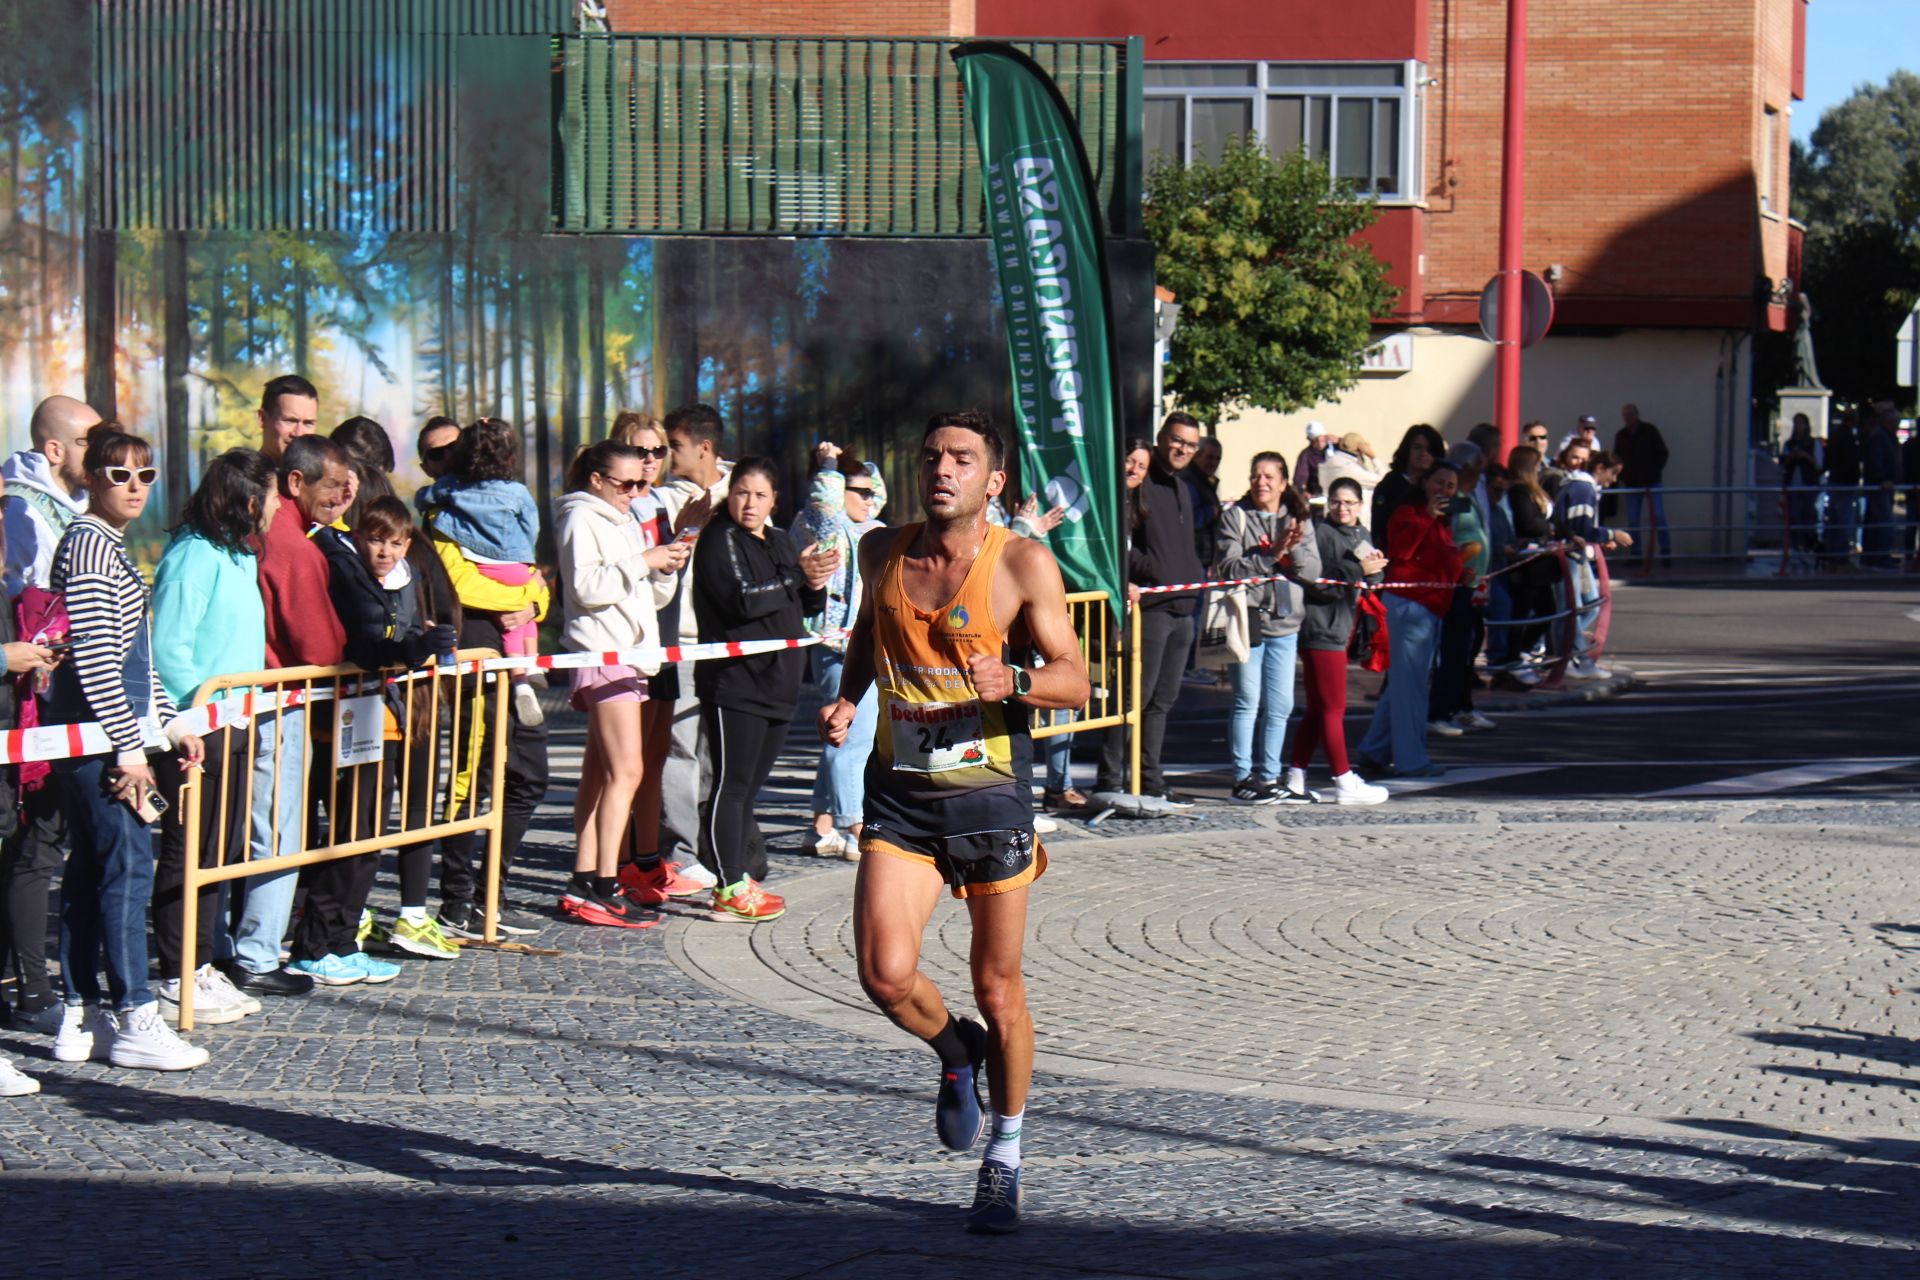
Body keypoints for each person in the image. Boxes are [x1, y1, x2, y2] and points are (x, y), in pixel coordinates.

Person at [819, 409, 1089, 1234]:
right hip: (901, 795)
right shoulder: (881, 551)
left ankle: (1004, 1155)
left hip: (988, 797)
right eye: (932, 455)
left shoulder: (1022, 565)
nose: (942, 470)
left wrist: (1015, 681)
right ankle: (954, 1053)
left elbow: (1076, 681)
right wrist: (851, 694)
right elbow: (872, 632)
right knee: (885, 975)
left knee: (998, 989)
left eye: (962, 460)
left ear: (993, 481)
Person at [46, 429, 211, 1071]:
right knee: (127, 869)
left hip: (108, 739)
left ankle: (81, 1016)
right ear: (91, 479)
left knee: (93, 874)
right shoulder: (89, 544)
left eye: (145, 474)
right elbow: (92, 659)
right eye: (118, 475)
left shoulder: (106, 544)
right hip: (98, 744)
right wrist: (130, 751)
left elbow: (131, 660)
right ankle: (136, 1013)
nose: (135, 486)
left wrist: (169, 724)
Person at [149, 448, 282, 1026]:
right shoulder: (192, 558)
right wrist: (189, 719)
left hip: (235, 721)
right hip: (196, 730)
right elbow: (168, 649)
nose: (279, 506)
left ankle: (202, 964)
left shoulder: (237, 556)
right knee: (188, 852)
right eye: (273, 495)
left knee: (218, 852)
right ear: (251, 500)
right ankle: (175, 971)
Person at [221, 433, 353, 1001]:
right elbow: (319, 642)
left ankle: (228, 948)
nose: (341, 496)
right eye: (331, 485)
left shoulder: (260, 534)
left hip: (249, 701)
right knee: (276, 832)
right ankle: (255, 953)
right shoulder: (294, 546)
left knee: (241, 829)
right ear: (294, 484)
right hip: (282, 700)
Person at [692, 456, 836, 922]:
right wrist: (797, 574)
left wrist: (815, 580)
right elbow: (742, 599)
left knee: (749, 789)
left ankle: (740, 875)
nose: (748, 502)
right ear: (728, 494)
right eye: (740, 492)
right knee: (730, 788)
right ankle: (727, 886)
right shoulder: (719, 538)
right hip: (736, 683)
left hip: (780, 683)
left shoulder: (778, 541)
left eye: (759, 495)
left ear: (774, 501)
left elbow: (799, 602)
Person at [553, 441, 688, 927]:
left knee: (600, 773)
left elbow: (641, 594)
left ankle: (586, 877)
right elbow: (587, 587)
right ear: (596, 480)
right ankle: (606, 883)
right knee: (627, 771)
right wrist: (643, 561)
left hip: (627, 653)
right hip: (604, 653)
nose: (635, 492)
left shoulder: (622, 518)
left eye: (642, 484)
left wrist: (666, 567)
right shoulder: (581, 517)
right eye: (625, 483)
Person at [0, 394, 100, 1035]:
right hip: (26, 705)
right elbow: (23, 604)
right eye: (93, 444)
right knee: (27, 845)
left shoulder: (77, 513)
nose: (110, 462)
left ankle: (33, 982)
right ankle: (31, 988)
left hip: (55, 700)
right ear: (55, 449)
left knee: (39, 845)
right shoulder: (20, 508)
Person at [338, 497, 464, 960]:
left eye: (394, 543)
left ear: (407, 544)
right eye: (375, 540)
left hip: (413, 705)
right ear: (359, 539)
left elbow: (414, 626)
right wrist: (415, 645)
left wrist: (431, 640)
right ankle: (353, 918)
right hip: (366, 711)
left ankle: (412, 915)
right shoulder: (349, 575)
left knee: (417, 809)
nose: (385, 552)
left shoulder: (411, 574)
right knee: (364, 819)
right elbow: (370, 643)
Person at [602, 414, 709, 908]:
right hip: (621, 649)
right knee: (623, 766)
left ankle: (646, 861)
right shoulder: (606, 510)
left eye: (658, 452)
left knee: (655, 757)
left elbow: (667, 582)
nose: (649, 462)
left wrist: (683, 538)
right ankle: (610, 867)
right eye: (639, 451)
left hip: (662, 643)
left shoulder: (664, 501)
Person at [1092, 413, 1205, 808]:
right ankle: (1109, 779)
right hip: (1150, 609)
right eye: (1177, 440)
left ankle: (1149, 779)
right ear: (1162, 438)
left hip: (1182, 608)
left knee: (1161, 702)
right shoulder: (1140, 480)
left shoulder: (1183, 487)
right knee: (1131, 699)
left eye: (1191, 445)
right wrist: (1141, 573)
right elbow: (1118, 538)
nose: (1183, 450)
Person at [418, 417, 545, 725]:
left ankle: (522, 674)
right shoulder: (514, 492)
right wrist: (528, 589)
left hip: (500, 580)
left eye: (455, 447)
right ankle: (530, 668)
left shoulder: (450, 496)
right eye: (438, 453)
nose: (448, 457)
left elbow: (425, 497)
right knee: (480, 738)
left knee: (524, 747)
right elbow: (460, 584)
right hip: (509, 583)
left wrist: (532, 605)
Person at [794, 449, 888, 858]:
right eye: (860, 491)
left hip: (864, 644)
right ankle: (856, 825)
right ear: (834, 491)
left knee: (840, 738)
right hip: (836, 645)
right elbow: (824, 508)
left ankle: (821, 825)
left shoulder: (869, 526)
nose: (870, 499)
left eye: (872, 491)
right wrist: (828, 468)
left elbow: (877, 492)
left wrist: (856, 466)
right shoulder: (820, 525)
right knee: (852, 738)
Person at [1214, 452, 1319, 804]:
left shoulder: (1298, 519)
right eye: (1256, 475)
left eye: (1269, 476)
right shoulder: (1236, 517)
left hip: (1286, 624)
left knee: (1281, 705)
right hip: (1249, 620)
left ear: (1284, 482)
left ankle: (1271, 776)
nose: (1261, 482)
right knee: (1247, 700)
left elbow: (1312, 572)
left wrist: (1294, 550)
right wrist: (1271, 554)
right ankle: (1243, 777)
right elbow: (1228, 567)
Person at [1353, 463, 1467, 779]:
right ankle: (1411, 760)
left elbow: (1441, 560)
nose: (1445, 490)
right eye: (1440, 482)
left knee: (1404, 687)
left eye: (1451, 485)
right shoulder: (1408, 512)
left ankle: (1375, 749)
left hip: (1427, 607)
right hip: (1410, 606)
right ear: (1425, 483)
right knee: (1412, 690)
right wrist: (1428, 515)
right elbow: (1401, 552)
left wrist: (1461, 574)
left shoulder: (1441, 522)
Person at [656, 403, 727, 883]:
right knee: (680, 748)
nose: (665, 455)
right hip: (679, 638)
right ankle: (679, 853)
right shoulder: (662, 499)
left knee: (713, 752)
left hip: (727, 641)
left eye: (674, 446)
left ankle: (712, 843)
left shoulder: (740, 490)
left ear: (704, 448)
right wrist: (685, 528)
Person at [1288, 477, 1389, 804]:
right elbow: (1319, 583)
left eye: (1349, 502)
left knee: (1318, 709)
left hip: (1345, 625)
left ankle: (1295, 776)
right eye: (1336, 501)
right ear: (1327, 502)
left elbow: (1368, 575)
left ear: (1360, 505)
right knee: (1334, 708)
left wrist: (1373, 572)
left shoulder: (1361, 533)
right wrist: (1358, 568)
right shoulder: (1319, 534)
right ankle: (1344, 779)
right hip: (1322, 627)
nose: (1342, 508)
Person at [1427, 442, 1494, 738]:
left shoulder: (1468, 496)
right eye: (1476, 470)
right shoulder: (1454, 500)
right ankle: (1441, 710)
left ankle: (1460, 705)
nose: (1480, 476)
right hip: (1455, 584)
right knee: (1453, 649)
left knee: (1468, 646)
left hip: (1472, 582)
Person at [1551, 448, 1629, 679]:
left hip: (1574, 554)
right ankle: (1577, 659)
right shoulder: (1583, 489)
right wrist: (1611, 534)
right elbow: (1581, 528)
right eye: (1612, 474)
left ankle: (1564, 653)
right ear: (1600, 468)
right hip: (1571, 556)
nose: (1613, 481)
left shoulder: (1577, 486)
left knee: (1584, 606)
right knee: (1574, 609)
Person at [1497, 445, 1558, 685]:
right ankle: (1513, 657)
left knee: (1547, 610)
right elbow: (1528, 523)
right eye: (1536, 464)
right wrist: (1550, 529)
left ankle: (1521, 652)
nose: (1540, 468)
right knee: (1521, 611)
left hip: (1541, 561)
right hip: (1527, 563)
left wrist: (1568, 533)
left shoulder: (1535, 490)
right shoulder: (1519, 491)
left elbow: (1551, 519)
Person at [1614, 404, 1671, 565]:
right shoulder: (1622, 435)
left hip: (1652, 481)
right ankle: (1635, 553)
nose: (1628, 418)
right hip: (1632, 483)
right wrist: (1623, 476)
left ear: (1637, 415)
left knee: (1658, 515)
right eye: (1625, 415)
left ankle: (1665, 551)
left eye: (1630, 414)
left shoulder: (1649, 431)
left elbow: (1663, 453)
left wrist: (1654, 471)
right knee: (1633, 519)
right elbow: (1616, 458)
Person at [1371, 424, 1446, 536]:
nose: (1423, 454)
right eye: (1418, 447)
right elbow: (1380, 527)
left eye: (1430, 450)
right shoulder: (1389, 484)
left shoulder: (1440, 487)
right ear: (1407, 450)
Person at [1860, 403, 1902, 571]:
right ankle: (1879, 557)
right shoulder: (1880, 437)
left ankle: (1874, 556)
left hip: (1884, 486)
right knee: (1884, 522)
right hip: (1880, 486)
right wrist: (1882, 479)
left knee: (1876, 522)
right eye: (1896, 422)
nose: (1898, 425)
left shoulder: (1885, 436)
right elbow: (1875, 461)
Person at [1779, 414, 1824, 557]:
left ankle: (1808, 545)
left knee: (1809, 516)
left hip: (1809, 484)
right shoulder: (1789, 444)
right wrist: (1792, 456)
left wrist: (1806, 456)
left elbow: (1819, 464)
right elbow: (1783, 464)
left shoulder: (1813, 443)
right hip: (1793, 485)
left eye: (1801, 423)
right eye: (1796, 423)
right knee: (1794, 516)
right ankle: (1796, 546)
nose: (1798, 426)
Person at [256, 374, 319, 463]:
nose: (299, 433)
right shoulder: (239, 475)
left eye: (308, 423)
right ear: (262, 419)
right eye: (290, 421)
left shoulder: (323, 476)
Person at [1318, 432, 1381, 517]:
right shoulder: (1348, 467)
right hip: (1351, 517)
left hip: (1332, 514)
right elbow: (1384, 480)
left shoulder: (1332, 461)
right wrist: (1373, 456)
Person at [1294, 421, 1333, 499]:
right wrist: (1303, 492)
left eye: (1321, 438)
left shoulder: (1335, 449)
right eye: (1315, 439)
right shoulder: (1306, 455)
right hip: (1318, 496)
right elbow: (1300, 478)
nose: (1319, 441)